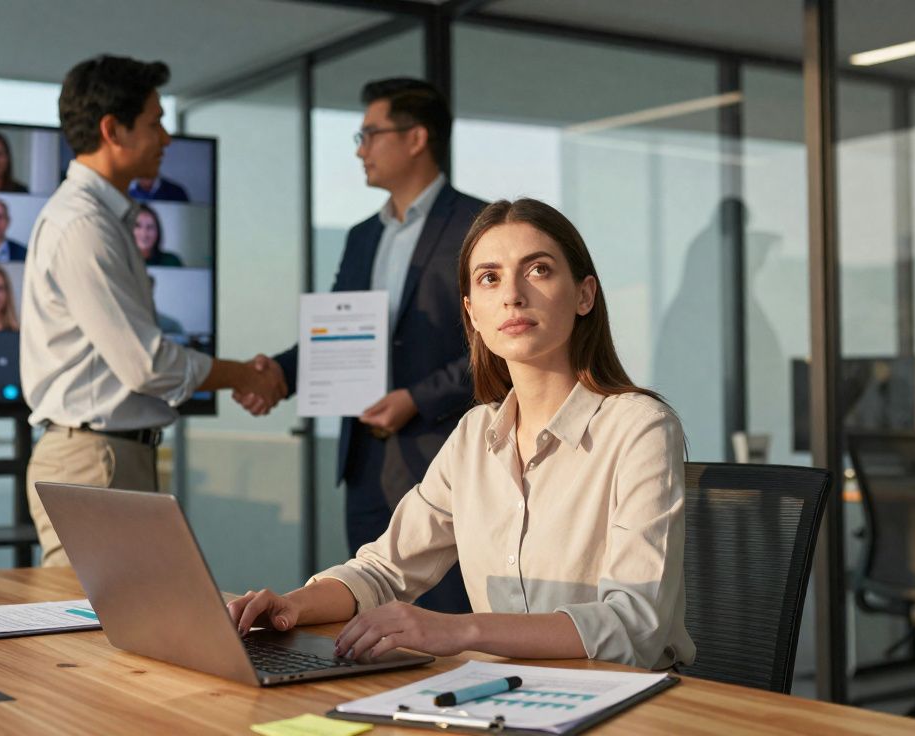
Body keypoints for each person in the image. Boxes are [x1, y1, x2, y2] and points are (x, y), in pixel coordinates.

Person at [228, 198, 694, 670]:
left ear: (584, 295)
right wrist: (291, 606)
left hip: (626, 697)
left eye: (538, 270)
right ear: (472, 312)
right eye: (490, 278)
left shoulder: (641, 428)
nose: (512, 295)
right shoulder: (475, 435)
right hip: (504, 692)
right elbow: (384, 570)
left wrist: (460, 630)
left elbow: (634, 625)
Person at [21, 55, 283, 567]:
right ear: (112, 130)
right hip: (95, 463)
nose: (166, 138)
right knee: (95, 620)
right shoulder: (84, 226)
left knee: (135, 617)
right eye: (154, 123)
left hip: (109, 458)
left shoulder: (102, 218)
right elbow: (146, 364)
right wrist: (243, 376)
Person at [236, 78, 483, 614]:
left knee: (445, 620)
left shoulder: (477, 225)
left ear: (416, 138)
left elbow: (495, 345)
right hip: (366, 460)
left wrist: (416, 398)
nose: (359, 149)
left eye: (371, 134)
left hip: (441, 454)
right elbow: (335, 334)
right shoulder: (362, 236)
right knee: (371, 612)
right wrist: (276, 373)